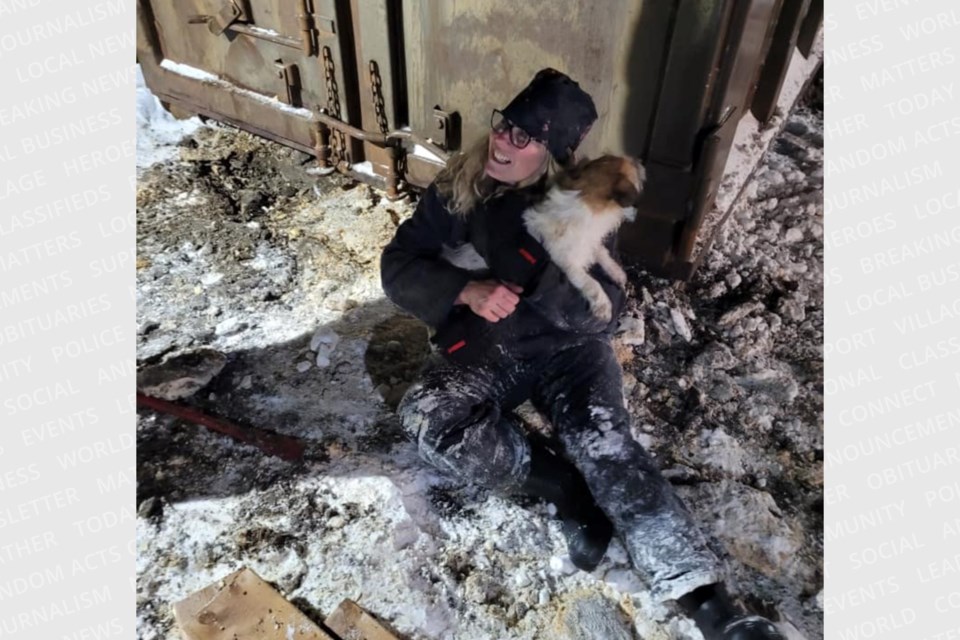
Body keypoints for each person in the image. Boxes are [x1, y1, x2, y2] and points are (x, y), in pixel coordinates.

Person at [380, 68, 785, 640]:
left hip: (568, 351)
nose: (502, 142)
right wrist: (462, 290)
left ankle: (713, 607)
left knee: (610, 451)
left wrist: (545, 259)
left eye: (525, 138)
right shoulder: (461, 185)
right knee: (428, 418)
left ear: (551, 155)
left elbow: (604, 311)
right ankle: (564, 490)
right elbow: (397, 264)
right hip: (491, 348)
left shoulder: (579, 207)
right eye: (505, 126)